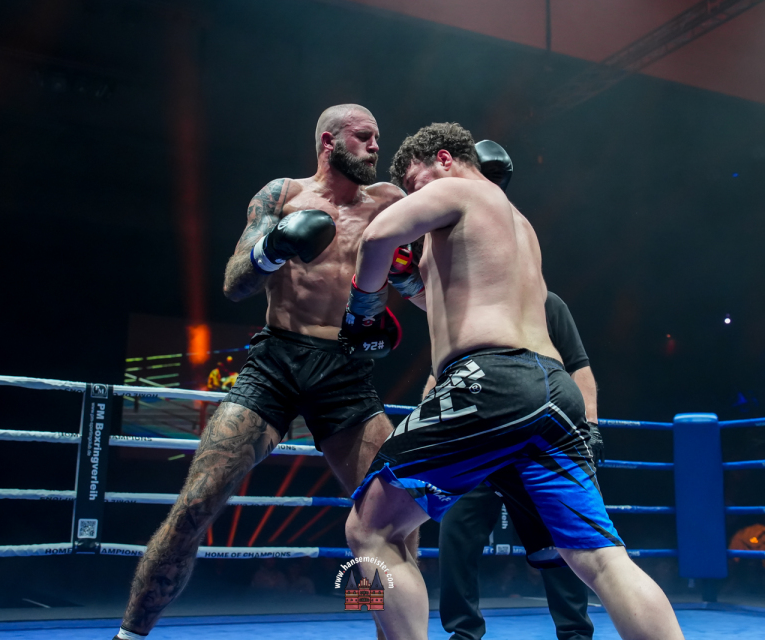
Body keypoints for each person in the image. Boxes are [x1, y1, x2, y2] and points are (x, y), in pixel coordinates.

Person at [339, 122, 683, 640]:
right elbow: (451, 301)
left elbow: (375, 236)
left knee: (368, 529)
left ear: (444, 159)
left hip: (490, 384)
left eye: (414, 183)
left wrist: (363, 310)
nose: (414, 196)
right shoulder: (516, 222)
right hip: (552, 392)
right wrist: (409, 281)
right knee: (601, 558)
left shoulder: (456, 190)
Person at [113, 104, 413, 640]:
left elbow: (426, 275)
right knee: (196, 503)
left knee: (391, 524)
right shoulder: (282, 195)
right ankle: (129, 636)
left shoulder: (390, 201)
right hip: (277, 361)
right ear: (329, 142)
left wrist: (406, 279)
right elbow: (234, 282)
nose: (375, 147)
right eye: (364, 137)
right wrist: (273, 248)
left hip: (346, 369)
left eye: (377, 138)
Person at [435, 291, 604, 640]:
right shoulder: (465, 306)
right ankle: (463, 633)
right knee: (455, 536)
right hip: (477, 444)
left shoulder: (547, 304)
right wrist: (435, 428)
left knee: (559, 539)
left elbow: (578, 367)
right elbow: (441, 375)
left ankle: (574, 633)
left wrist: (590, 425)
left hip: (534, 444)